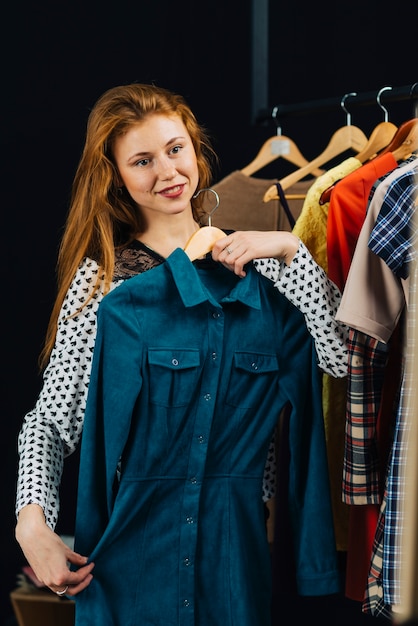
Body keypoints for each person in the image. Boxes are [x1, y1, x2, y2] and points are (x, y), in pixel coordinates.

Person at [15, 82, 349, 625]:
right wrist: (32, 524)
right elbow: (51, 422)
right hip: (128, 560)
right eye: (142, 161)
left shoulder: (262, 268)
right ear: (117, 177)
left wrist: (291, 251)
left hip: (234, 561)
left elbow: (344, 360)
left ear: (195, 149)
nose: (167, 172)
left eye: (175, 149)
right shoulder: (104, 285)